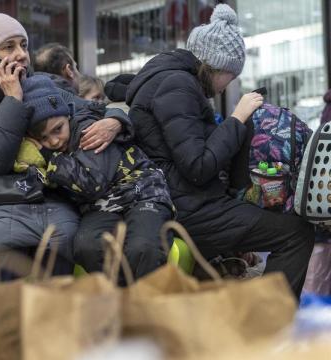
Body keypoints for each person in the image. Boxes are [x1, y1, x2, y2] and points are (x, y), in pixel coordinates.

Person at [125, 4, 314, 296]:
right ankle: (268, 326)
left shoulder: (170, 80)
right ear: (215, 65)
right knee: (295, 233)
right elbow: (198, 166)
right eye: (230, 76)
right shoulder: (178, 85)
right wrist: (237, 119)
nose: (227, 86)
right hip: (185, 207)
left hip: (180, 199)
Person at [0, 13, 125, 281]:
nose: (21, 54)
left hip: (43, 195)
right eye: (9, 46)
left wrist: (116, 120)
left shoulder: (39, 87)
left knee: (65, 239)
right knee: (3, 247)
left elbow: (95, 110)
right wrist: (12, 101)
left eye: (24, 45)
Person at [20, 75, 174, 279]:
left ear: (68, 115)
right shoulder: (57, 145)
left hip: (142, 194)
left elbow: (91, 183)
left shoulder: (89, 130)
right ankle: (120, 300)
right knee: (87, 247)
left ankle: (145, 304)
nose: (55, 141)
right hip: (99, 207)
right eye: (44, 139)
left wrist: (49, 156)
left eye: (58, 129)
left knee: (143, 248)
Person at [34, 43, 122, 153]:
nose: (54, 142)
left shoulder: (32, 99)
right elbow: (98, 109)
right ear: (69, 70)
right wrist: (117, 120)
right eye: (76, 67)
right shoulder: (74, 106)